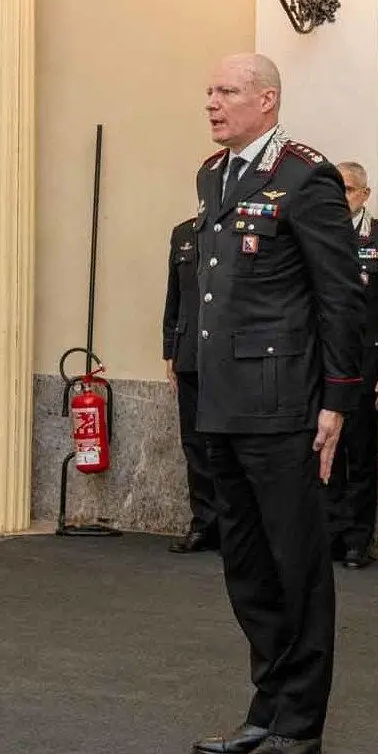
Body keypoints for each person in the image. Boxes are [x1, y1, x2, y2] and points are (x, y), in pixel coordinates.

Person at [186, 53, 364, 754]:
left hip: (284, 402)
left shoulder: (305, 175)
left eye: (226, 90)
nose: (212, 102)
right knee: (248, 566)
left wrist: (337, 400)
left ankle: (301, 722)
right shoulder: (214, 174)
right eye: (209, 89)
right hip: (224, 401)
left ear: (266, 100)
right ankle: (265, 708)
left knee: (296, 565)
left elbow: (340, 296)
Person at [321, 161, 378, 569]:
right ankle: (329, 532)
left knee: (358, 450)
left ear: (365, 194)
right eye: (335, 190)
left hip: (365, 362)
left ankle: (357, 537)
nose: (342, 198)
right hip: (321, 360)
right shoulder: (317, 233)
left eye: (350, 190)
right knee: (324, 448)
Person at [162, 216, 220, 553]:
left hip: (228, 357)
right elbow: (174, 295)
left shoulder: (238, 228)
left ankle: (232, 527)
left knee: (226, 448)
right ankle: (203, 523)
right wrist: (170, 348)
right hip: (189, 353)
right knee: (195, 446)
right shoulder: (183, 233)